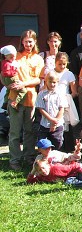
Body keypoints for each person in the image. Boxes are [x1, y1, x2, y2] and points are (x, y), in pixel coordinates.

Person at [7, 30, 45, 171]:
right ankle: (15, 159)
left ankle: (29, 157)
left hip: (30, 98)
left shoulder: (38, 59)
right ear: (22, 42)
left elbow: (38, 79)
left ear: (34, 42)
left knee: (29, 131)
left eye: (31, 41)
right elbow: (6, 72)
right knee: (15, 131)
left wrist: (23, 84)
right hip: (15, 98)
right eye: (26, 41)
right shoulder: (15, 56)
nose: (28, 44)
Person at [35, 71, 66, 149]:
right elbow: (41, 109)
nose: (52, 84)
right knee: (43, 143)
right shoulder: (41, 94)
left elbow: (62, 108)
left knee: (57, 142)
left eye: (54, 82)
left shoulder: (60, 94)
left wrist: (55, 122)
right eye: (50, 82)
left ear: (57, 82)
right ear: (46, 82)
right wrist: (51, 120)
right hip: (45, 124)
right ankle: (44, 157)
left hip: (58, 124)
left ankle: (55, 157)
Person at [1, 45, 26, 109]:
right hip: (12, 78)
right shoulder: (7, 64)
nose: (13, 59)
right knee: (23, 90)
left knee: (8, 90)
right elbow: (7, 72)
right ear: (6, 56)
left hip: (7, 79)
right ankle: (15, 102)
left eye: (14, 57)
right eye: (11, 57)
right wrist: (14, 71)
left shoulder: (5, 62)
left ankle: (5, 102)